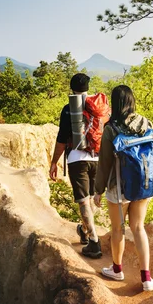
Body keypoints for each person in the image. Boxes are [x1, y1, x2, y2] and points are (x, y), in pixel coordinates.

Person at [93, 85, 153, 291]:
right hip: (143, 183)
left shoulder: (111, 128)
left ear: (115, 103)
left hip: (118, 186)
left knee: (118, 228)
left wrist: (98, 190)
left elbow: (104, 163)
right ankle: (146, 278)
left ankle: (117, 269)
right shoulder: (146, 123)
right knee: (138, 228)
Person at [50, 73, 102, 258]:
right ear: (88, 87)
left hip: (77, 159)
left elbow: (62, 139)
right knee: (92, 198)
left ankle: (94, 241)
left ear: (71, 88)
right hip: (98, 157)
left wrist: (54, 162)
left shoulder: (68, 110)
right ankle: (85, 231)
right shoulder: (99, 107)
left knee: (83, 201)